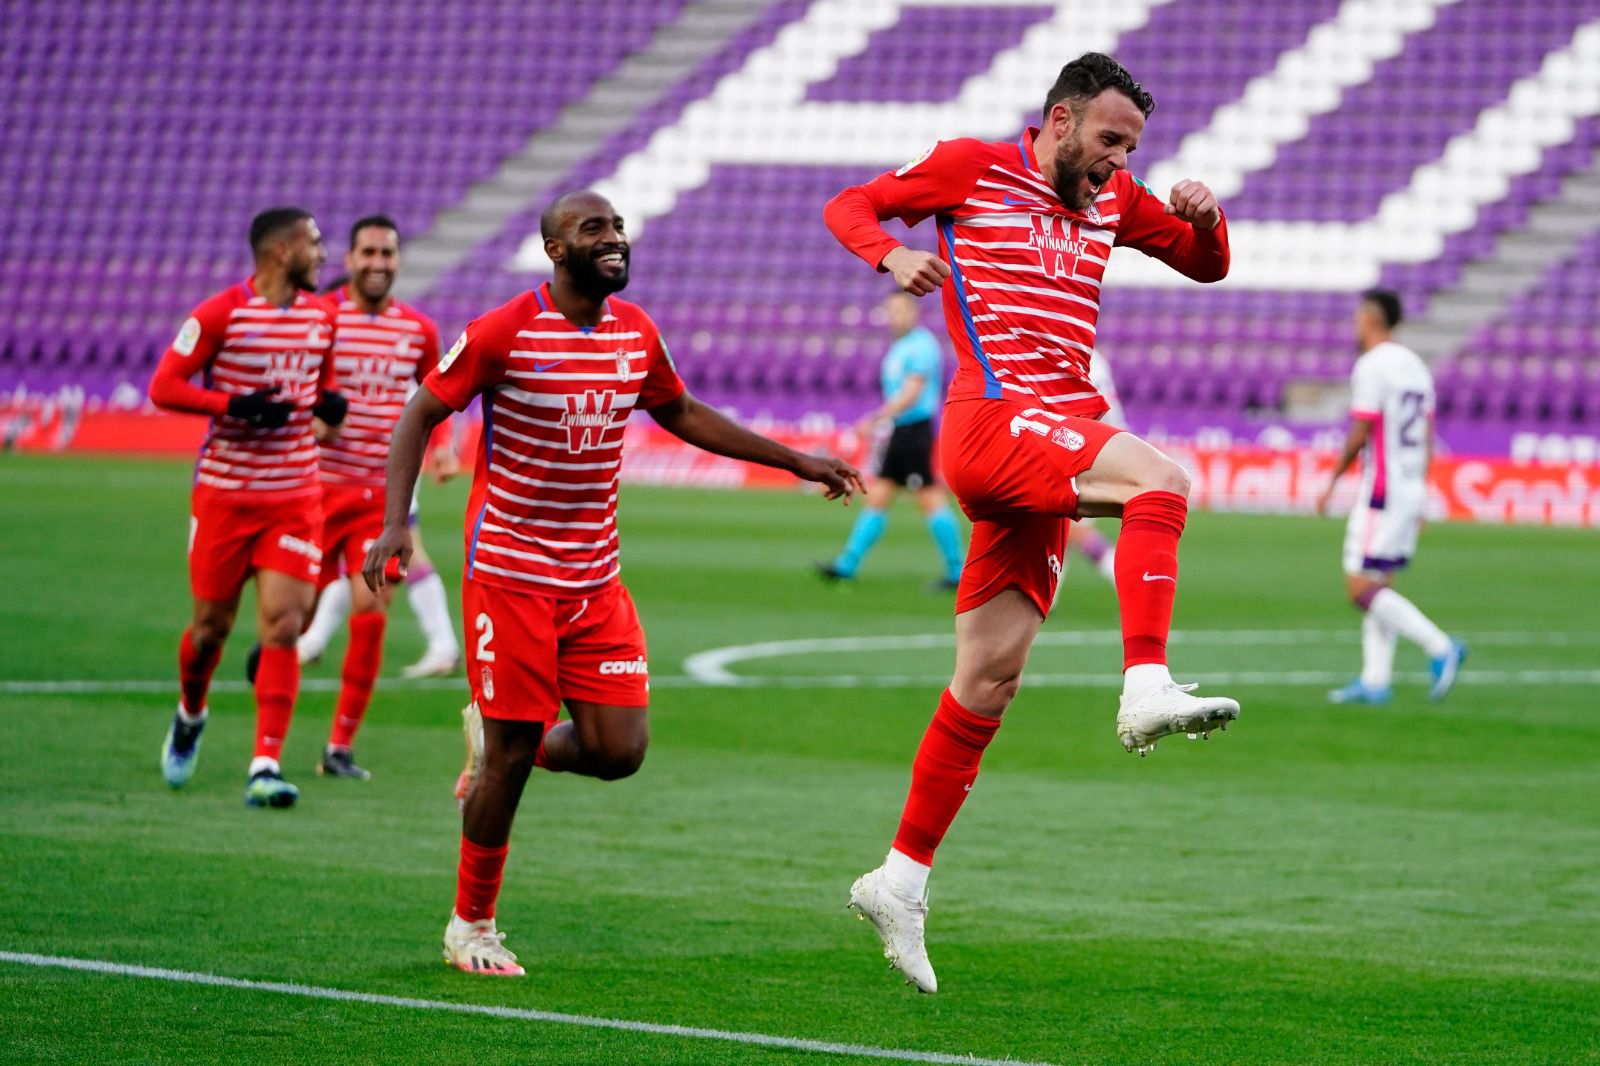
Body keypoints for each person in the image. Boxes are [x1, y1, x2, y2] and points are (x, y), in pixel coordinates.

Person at [362, 190, 864, 977]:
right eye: (595, 229)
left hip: (596, 577)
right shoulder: (505, 331)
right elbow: (419, 414)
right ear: (556, 250)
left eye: (619, 228)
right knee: (512, 755)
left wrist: (796, 459)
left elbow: (684, 412)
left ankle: (495, 742)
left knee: (619, 749)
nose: (615, 240)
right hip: (513, 575)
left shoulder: (636, 332)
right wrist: (398, 521)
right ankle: (472, 925)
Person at [823, 52, 1241, 992]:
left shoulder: (1118, 199)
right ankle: (1144, 684)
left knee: (988, 679)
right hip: (990, 421)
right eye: (1105, 140)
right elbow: (850, 203)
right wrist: (889, 253)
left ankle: (898, 880)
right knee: (1161, 481)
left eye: (1129, 146)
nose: (1116, 161)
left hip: (1048, 439)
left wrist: (1209, 221)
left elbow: (1205, 268)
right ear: (1058, 119)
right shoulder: (973, 167)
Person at [149, 207, 346, 808]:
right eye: (313, 244)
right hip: (226, 496)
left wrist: (327, 413)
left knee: (285, 625)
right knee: (210, 632)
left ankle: (265, 763)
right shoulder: (219, 313)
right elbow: (165, 386)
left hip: (294, 495)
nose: (321, 254)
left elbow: (322, 399)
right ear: (281, 251)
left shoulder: (322, 317)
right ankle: (191, 712)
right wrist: (235, 405)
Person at [299, 216, 447, 780]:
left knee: (371, 613)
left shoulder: (418, 329)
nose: (378, 262)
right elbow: (297, 388)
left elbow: (442, 392)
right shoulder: (322, 318)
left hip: (380, 500)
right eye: (368, 252)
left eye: (388, 253)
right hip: (313, 489)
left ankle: (339, 747)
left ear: (399, 260)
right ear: (349, 258)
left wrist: (444, 451)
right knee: (292, 619)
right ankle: (267, 733)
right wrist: (315, 423)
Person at [297, 272, 463, 682]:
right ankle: (314, 640)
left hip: (388, 468)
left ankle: (443, 645)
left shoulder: (408, 332)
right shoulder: (335, 342)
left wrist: (441, 446)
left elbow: (435, 393)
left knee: (385, 562)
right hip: (357, 471)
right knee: (368, 565)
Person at [1316, 290, 1466, 704]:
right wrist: (1422, 492)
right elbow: (1428, 434)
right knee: (1380, 581)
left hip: (1381, 489)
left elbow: (1362, 430)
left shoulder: (1372, 365)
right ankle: (1376, 680)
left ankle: (1440, 646)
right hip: (1409, 485)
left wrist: (1331, 481)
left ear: (1370, 318)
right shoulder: (1416, 366)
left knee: (1359, 586)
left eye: (1357, 317)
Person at [816, 292, 965, 589]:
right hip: (902, 432)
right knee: (879, 495)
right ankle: (848, 564)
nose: (896, 316)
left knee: (929, 498)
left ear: (913, 312)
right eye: (891, 311)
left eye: (901, 310)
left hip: (914, 431)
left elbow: (912, 393)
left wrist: (876, 418)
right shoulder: (902, 346)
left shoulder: (922, 346)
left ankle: (957, 571)